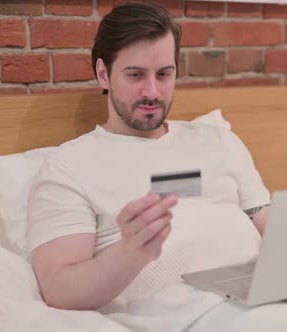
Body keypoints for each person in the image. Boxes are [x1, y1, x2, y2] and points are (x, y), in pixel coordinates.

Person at [27, 2, 271, 317]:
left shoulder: (217, 139)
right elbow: (59, 289)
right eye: (136, 75)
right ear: (104, 74)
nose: (153, 91)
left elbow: (263, 218)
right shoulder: (69, 166)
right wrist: (130, 252)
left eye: (164, 74)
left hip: (265, 294)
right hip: (194, 314)